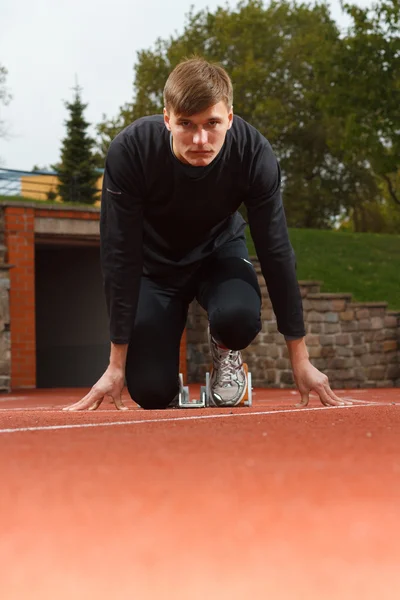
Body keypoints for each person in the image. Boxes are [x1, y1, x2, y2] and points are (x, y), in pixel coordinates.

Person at [65, 57, 350, 412]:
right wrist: (116, 364)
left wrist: (300, 358)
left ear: (230, 117)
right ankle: (164, 380)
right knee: (151, 392)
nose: (200, 139)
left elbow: (275, 249)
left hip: (219, 254)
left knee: (238, 318)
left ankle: (225, 352)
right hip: (156, 268)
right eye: (186, 124)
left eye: (212, 123)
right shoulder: (131, 151)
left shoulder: (252, 153)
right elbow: (119, 254)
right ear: (167, 118)